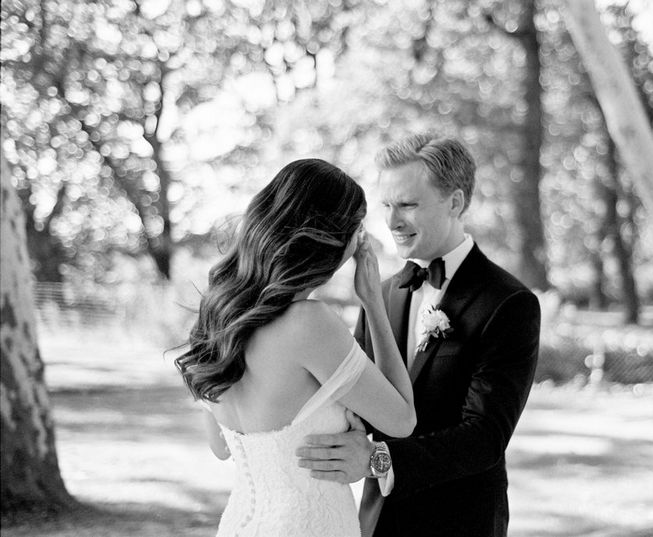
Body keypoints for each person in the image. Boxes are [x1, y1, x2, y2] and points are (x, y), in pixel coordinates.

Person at [296, 134, 541, 537]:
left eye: (408, 205)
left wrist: (376, 460)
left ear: (455, 203)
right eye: (387, 205)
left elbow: (485, 437)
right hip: (377, 522)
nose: (392, 222)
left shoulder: (508, 302)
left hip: (460, 524)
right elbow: (358, 402)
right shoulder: (379, 294)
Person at [174, 158, 416, 537]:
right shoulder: (309, 323)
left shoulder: (218, 317)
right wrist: (373, 303)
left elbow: (221, 448)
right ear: (332, 239)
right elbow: (402, 420)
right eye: (357, 228)